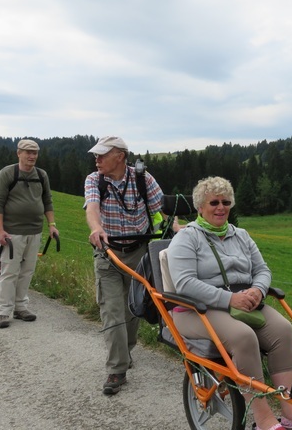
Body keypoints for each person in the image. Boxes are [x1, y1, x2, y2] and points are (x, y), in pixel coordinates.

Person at [167, 176, 292, 430]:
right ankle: (264, 420)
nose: (221, 207)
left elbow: (262, 269)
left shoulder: (240, 235)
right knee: (243, 337)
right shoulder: (187, 238)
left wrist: (258, 291)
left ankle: (290, 412)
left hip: (244, 302)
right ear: (200, 207)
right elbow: (185, 284)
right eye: (214, 202)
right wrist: (231, 298)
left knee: (283, 330)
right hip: (197, 308)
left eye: (226, 202)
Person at [84, 135, 166, 395]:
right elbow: (92, 208)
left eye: (102, 154)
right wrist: (97, 230)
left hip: (139, 254)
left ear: (119, 156)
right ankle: (117, 369)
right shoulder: (94, 180)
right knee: (111, 310)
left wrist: (177, 227)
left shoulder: (143, 179)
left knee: (133, 309)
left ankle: (126, 352)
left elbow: (160, 210)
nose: (96, 159)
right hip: (107, 253)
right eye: (96, 155)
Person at [0, 139, 59, 329]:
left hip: (35, 231)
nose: (32, 156)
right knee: (9, 271)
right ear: (18, 153)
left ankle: (20, 307)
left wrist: (52, 225)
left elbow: (47, 200)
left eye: (35, 153)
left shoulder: (41, 175)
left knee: (27, 271)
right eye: (28, 152)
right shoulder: (7, 173)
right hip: (13, 233)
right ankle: (3, 311)